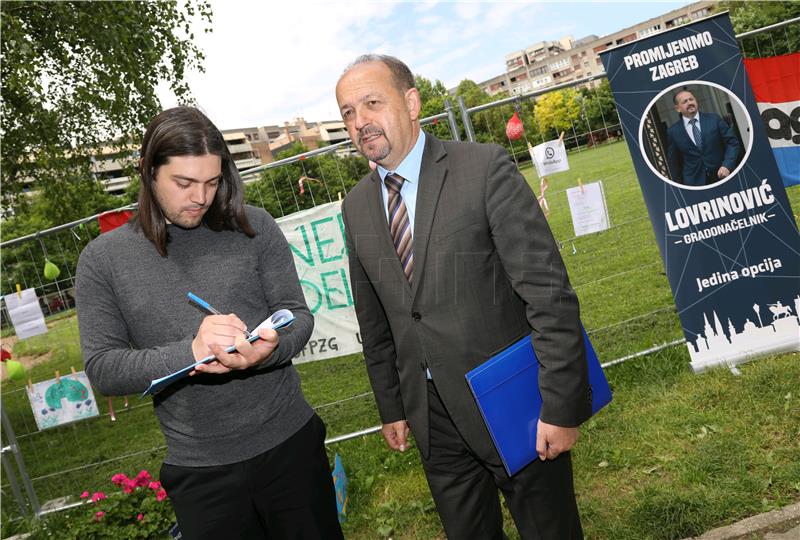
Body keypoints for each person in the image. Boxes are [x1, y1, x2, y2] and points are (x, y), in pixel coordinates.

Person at [336, 54, 591, 539]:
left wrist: (561, 406)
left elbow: (548, 294)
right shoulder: (356, 207)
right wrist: (391, 405)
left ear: (411, 103)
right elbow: (376, 320)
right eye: (348, 112)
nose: (360, 121)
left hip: (513, 404)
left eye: (372, 103)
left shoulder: (483, 168)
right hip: (432, 420)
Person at [75, 107, 343, 540]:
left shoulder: (254, 226)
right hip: (200, 473)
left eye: (212, 181)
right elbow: (104, 368)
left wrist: (265, 352)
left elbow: (298, 316)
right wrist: (192, 353)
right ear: (147, 171)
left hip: (291, 445)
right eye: (183, 183)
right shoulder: (103, 261)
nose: (200, 197)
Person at [667, 88, 740, 186]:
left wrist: (727, 165)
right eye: (685, 102)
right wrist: (680, 187)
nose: (689, 103)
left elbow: (732, 143)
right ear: (677, 108)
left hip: (722, 176)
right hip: (694, 183)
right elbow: (674, 162)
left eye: (691, 99)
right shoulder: (673, 132)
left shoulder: (714, 119)